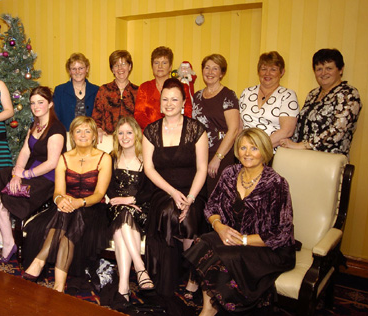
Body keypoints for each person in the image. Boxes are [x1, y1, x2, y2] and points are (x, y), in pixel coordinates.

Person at [184, 128, 296, 315]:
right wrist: (219, 227)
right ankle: (208, 309)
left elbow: (281, 233)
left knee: (223, 255)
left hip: (267, 247)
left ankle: (220, 309)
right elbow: (211, 207)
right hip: (231, 235)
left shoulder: (276, 184)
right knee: (203, 242)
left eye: (253, 148)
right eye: (243, 148)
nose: (247, 153)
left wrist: (242, 240)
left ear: (264, 151)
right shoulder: (230, 173)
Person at [0, 86, 66, 265]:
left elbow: (52, 163)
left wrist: (25, 173)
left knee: (4, 194)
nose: (35, 106)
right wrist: (17, 174)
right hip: (30, 174)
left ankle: (0, 237)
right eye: (32, 103)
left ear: (50, 104)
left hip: (46, 181)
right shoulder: (35, 125)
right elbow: (25, 152)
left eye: (40, 102)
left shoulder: (56, 129)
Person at [22, 116, 112, 292]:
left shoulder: (104, 158)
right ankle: (59, 286)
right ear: (73, 136)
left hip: (93, 208)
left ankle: (40, 260)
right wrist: (60, 201)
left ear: (94, 135)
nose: (83, 135)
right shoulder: (64, 158)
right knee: (66, 218)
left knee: (73, 214)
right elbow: (58, 192)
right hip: (66, 208)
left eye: (87, 131)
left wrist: (79, 202)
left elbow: (100, 194)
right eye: (78, 131)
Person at [142, 78, 208, 297]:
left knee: (187, 217)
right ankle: (167, 274)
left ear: (183, 102)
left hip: (193, 190)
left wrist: (189, 198)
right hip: (162, 190)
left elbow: (202, 169)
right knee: (170, 210)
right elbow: (149, 169)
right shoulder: (150, 131)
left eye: (174, 99)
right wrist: (172, 192)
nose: (169, 103)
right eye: (165, 99)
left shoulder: (197, 129)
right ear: (160, 102)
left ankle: (192, 274)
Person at [107, 117, 154, 301]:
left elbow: (151, 189)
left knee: (121, 229)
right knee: (123, 214)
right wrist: (120, 200)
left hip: (140, 208)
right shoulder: (111, 158)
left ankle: (123, 288)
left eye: (129, 132)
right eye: (120, 133)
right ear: (116, 136)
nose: (125, 137)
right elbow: (108, 187)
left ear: (136, 134)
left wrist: (133, 199)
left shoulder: (147, 158)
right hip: (115, 207)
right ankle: (140, 268)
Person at [280, 48, 362, 156]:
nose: (323, 73)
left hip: (328, 160)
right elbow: (301, 126)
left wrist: (302, 145)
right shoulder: (313, 94)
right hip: (302, 156)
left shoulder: (349, 94)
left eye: (329, 68)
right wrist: (289, 144)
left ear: (341, 70)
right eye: (319, 69)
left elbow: (337, 131)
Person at [193, 54, 241, 196]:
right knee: (201, 195)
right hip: (200, 153)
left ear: (222, 73)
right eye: (207, 68)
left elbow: (234, 130)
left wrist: (217, 158)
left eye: (215, 68)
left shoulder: (228, 95)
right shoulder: (197, 96)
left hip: (221, 153)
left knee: (218, 196)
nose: (210, 72)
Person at [239, 51, 299, 148]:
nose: (267, 73)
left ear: (282, 72)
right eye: (264, 69)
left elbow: (287, 131)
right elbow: (239, 127)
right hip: (245, 150)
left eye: (273, 69)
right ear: (258, 71)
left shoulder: (287, 95)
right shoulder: (247, 92)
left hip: (271, 151)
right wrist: (242, 148)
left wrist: (258, 148)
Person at [92, 50, 138, 139]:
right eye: (116, 65)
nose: (120, 68)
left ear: (130, 67)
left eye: (124, 64)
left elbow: (141, 120)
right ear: (112, 69)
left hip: (131, 140)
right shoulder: (103, 90)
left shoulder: (138, 91)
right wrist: (98, 129)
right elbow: (96, 117)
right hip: (108, 140)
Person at [53, 53, 100, 130]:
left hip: (90, 136)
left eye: (81, 68)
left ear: (87, 69)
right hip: (67, 135)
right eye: (74, 69)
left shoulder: (96, 90)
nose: (77, 72)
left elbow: (100, 118)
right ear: (69, 71)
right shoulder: (60, 91)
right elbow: (55, 118)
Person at [134, 46, 173, 130]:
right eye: (156, 63)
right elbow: (138, 115)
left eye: (164, 63)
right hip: (149, 134)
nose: (160, 66)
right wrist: (155, 129)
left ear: (170, 67)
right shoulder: (144, 87)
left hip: (174, 134)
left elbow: (186, 114)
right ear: (152, 66)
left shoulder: (181, 87)